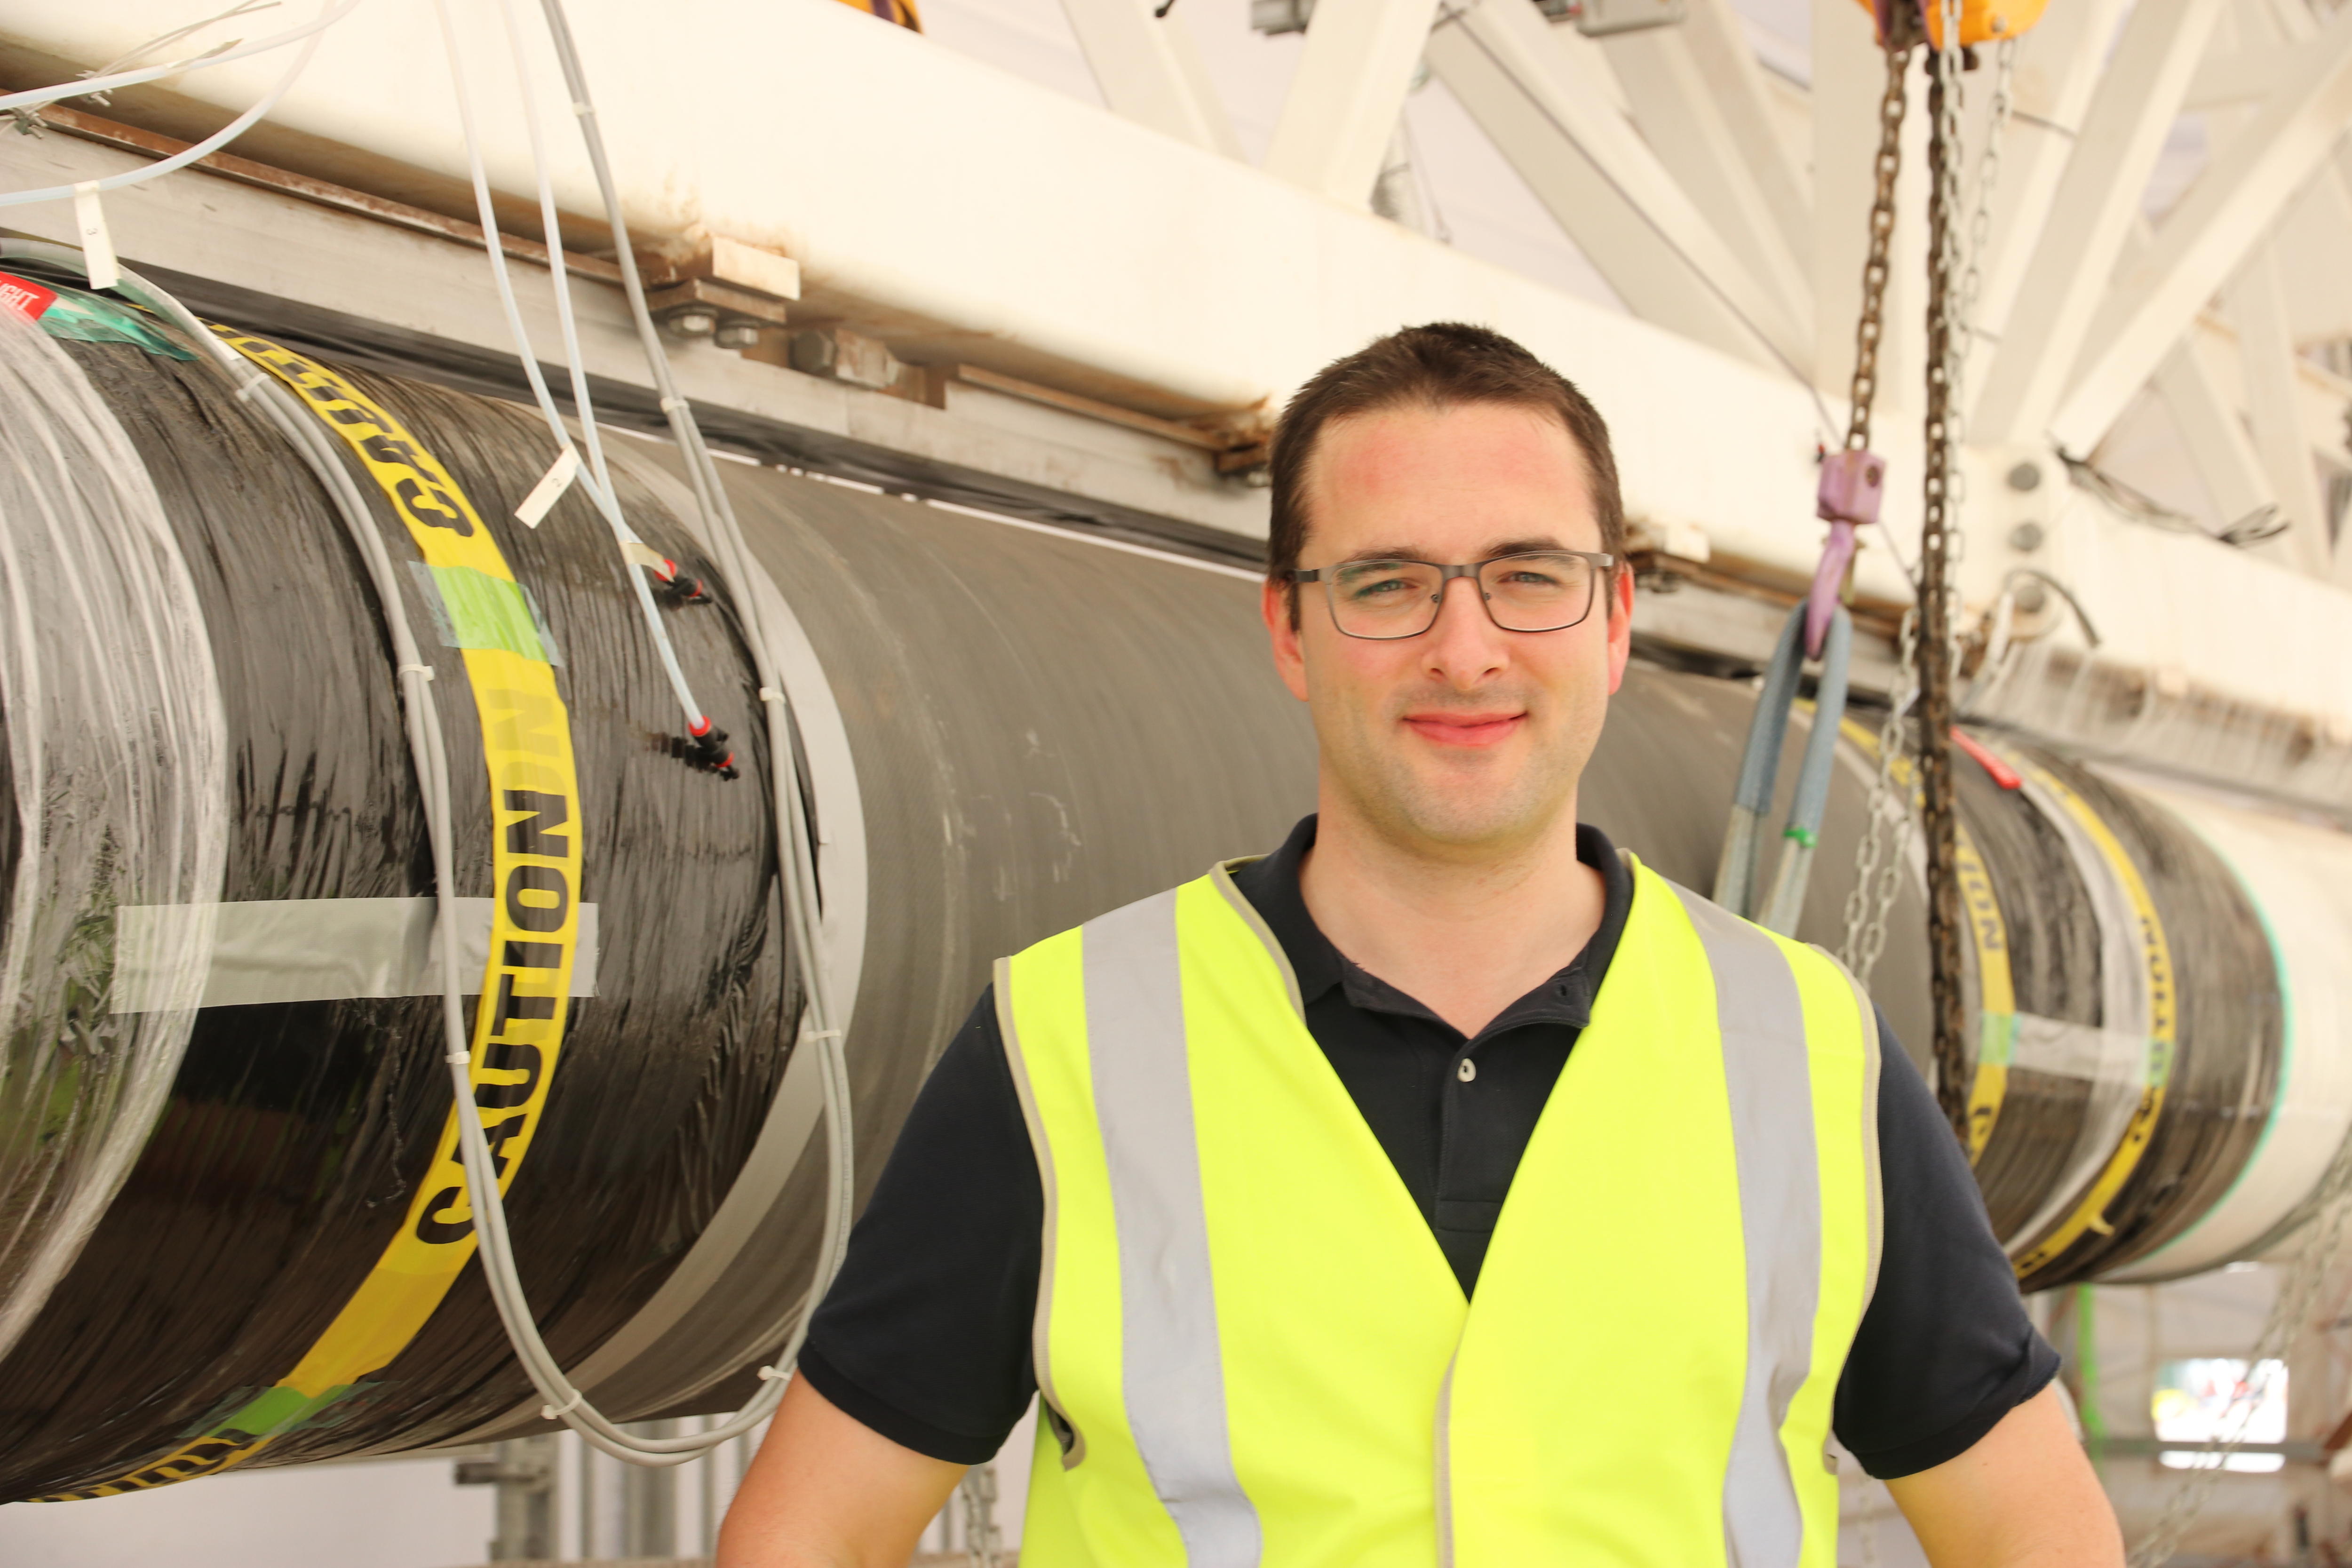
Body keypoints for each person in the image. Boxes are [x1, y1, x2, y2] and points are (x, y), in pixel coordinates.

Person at [717, 323, 2123, 1567]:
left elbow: (2026, 1521)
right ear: (1291, 627)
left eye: (1528, 576)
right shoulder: (1068, 1041)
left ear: (1617, 618)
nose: (1464, 650)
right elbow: (812, 1529)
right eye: (1388, 584)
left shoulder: (1806, 1052)